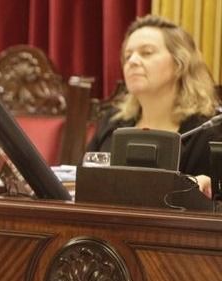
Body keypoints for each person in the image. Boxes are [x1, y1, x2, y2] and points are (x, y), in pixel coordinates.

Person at [87, 14, 222, 197]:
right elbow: (83, 182)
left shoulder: (209, 131)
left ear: (179, 64)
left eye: (147, 53)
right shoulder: (112, 121)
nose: (132, 62)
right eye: (127, 56)